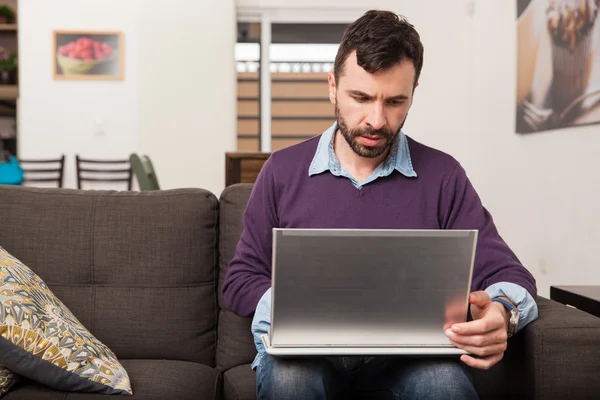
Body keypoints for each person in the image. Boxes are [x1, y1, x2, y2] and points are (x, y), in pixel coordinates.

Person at [222, 9, 538, 400]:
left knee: (445, 388)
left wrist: (502, 313)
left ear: (413, 94)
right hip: (308, 353)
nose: (376, 119)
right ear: (332, 87)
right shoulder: (282, 170)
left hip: (412, 356)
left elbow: (510, 273)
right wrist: (291, 305)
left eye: (394, 101)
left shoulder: (443, 175)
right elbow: (239, 280)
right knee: (290, 381)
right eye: (361, 97)